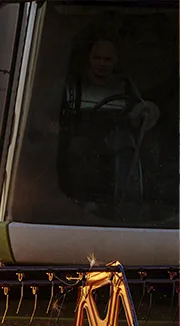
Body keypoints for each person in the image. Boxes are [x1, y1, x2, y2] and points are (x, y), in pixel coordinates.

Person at [59, 38, 160, 204]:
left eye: (107, 59)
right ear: (89, 59)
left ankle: (130, 200)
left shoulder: (125, 84)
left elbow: (140, 108)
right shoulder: (73, 84)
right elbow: (46, 112)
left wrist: (145, 111)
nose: (102, 63)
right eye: (97, 58)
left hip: (118, 134)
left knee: (139, 149)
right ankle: (83, 202)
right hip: (85, 135)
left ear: (115, 61)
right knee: (77, 150)